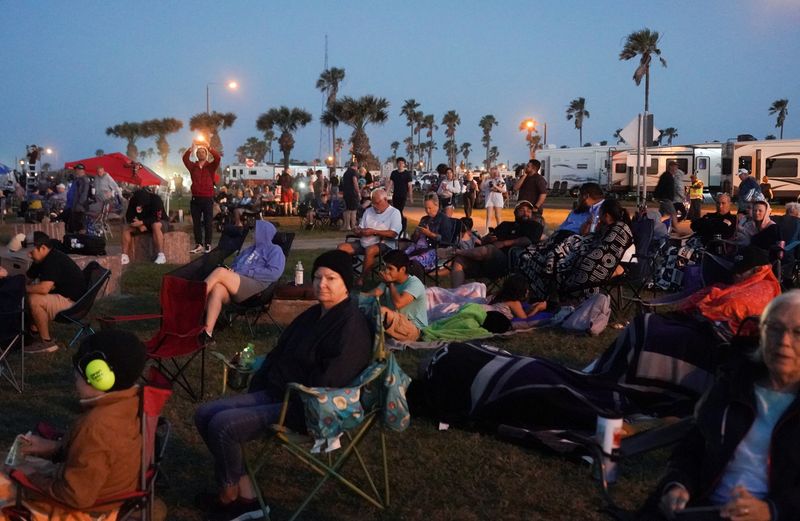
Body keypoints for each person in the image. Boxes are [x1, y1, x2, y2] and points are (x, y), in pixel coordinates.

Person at [194, 251, 372, 520]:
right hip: (277, 391)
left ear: (346, 283)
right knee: (203, 414)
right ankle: (247, 495)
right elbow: (280, 351)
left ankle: (230, 496)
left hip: (306, 406)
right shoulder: (313, 314)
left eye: (331, 278)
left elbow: (331, 379)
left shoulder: (351, 326)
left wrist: (290, 386)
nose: (322, 284)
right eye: (317, 277)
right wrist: (258, 373)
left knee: (224, 426)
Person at [641, 291, 800, 521]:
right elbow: (694, 445)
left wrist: (771, 511)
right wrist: (677, 483)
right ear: (762, 334)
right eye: (774, 328)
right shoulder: (735, 383)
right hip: (700, 510)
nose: (784, 341)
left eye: (797, 333)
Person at [0, 331, 147, 517]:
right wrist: (55, 447)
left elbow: (75, 496)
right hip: (104, 492)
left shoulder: (96, 426)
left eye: (78, 371)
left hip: (83, 508)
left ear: (98, 374)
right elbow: (98, 456)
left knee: (7, 471)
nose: (74, 375)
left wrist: (29, 475)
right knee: (6, 460)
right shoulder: (128, 401)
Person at [199, 221, 285, 344]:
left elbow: (274, 272)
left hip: (256, 286)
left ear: (264, 233)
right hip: (239, 283)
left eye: (255, 231)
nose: (252, 233)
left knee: (219, 272)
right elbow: (236, 264)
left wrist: (247, 272)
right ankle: (207, 333)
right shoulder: (249, 250)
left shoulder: (275, 250)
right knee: (218, 288)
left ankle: (192, 302)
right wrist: (233, 270)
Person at [451, 200, 543, 287]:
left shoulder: (534, 226)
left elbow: (528, 240)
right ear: (515, 212)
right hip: (485, 260)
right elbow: (484, 240)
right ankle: (457, 294)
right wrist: (486, 239)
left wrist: (504, 243)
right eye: (522, 210)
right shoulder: (505, 225)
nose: (525, 212)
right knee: (460, 260)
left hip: (507, 263)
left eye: (528, 211)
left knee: (489, 249)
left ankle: (456, 251)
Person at [24, 232, 87, 354]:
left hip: (73, 303)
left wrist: (21, 288)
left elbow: (44, 289)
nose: (29, 254)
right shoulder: (40, 260)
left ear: (42, 248)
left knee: (35, 299)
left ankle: (47, 343)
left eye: (31, 252)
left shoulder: (53, 260)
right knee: (30, 293)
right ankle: (32, 331)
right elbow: (26, 278)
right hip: (62, 297)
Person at [338, 188, 402, 286]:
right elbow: (361, 227)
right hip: (364, 242)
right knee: (341, 248)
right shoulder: (368, 211)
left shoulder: (394, 213)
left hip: (384, 244)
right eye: (373, 203)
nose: (374, 206)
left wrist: (374, 232)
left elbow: (393, 233)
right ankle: (343, 276)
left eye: (377, 203)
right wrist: (358, 230)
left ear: (385, 200)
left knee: (370, 250)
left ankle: (361, 279)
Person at [362, 250, 427, 342]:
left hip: (413, 329)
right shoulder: (391, 280)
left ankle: (374, 338)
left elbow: (398, 303)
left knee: (382, 311)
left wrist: (390, 283)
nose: (386, 271)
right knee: (365, 305)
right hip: (396, 323)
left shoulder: (414, 284)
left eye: (390, 268)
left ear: (403, 269)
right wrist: (354, 298)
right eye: (385, 267)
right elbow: (375, 293)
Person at [183, 141, 221, 254]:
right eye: (199, 152)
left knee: (208, 222)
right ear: (196, 154)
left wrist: (209, 147)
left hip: (207, 198)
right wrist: (191, 149)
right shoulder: (192, 166)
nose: (201, 153)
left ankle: (208, 244)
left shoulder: (210, 167)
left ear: (206, 154)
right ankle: (199, 244)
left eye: (203, 152)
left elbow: (218, 158)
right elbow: (185, 159)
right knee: (197, 223)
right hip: (195, 199)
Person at [120, 187, 167, 265]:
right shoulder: (133, 200)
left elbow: (157, 217)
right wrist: (139, 226)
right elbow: (129, 216)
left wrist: (143, 223)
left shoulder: (156, 199)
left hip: (159, 222)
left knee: (155, 225)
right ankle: (124, 256)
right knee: (126, 228)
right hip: (141, 225)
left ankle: (161, 255)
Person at [404, 194, 450, 271]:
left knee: (414, 262)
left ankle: (413, 278)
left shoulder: (444, 219)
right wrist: (417, 234)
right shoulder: (424, 219)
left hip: (433, 249)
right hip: (418, 247)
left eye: (430, 208)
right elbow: (413, 239)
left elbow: (446, 240)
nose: (428, 211)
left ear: (437, 205)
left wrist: (430, 234)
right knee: (401, 257)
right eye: (425, 208)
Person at [389, 157, 413, 232]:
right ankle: (398, 224)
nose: (400, 165)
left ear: (404, 164)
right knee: (395, 210)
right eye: (399, 163)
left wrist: (410, 197)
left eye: (402, 163)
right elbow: (390, 184)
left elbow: (410, 186)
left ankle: (403, 223)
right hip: (395, 195)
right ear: (397, 164)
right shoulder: (394, 173)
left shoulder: (407, 174)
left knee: (399, 210)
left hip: (403, 195)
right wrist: (385, 194)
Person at [66, 164, 92, 233]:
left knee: (79, 225)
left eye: (77, 170)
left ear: (81, 170)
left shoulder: (84, 180)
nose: (76, 171)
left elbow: (84, 193)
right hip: (74, 205)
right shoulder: (78, 179)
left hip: (79, 207)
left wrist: (79, 204)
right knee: (74, 224)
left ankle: (80, 239)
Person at [483, 166, 507, 232]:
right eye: (492, 172)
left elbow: (504, 190)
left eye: (495, 172)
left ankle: (500, 231)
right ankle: (486, 231)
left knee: (498, 216)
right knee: (488, 216)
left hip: (498, 199)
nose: (494, 173)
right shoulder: (488, 180)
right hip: (489, 199)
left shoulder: (500, 179)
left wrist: (495, 186)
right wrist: (483, 179)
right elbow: (482, 187)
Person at [340, 160, 360, 231]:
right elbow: (355, 182)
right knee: (354, 211)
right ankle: (353, 226)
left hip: (346, 193)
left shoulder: (346, 173)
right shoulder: (354, 172)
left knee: (347, 210)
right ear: (355, 166)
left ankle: (347, 225)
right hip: (352, 193)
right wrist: (358, 192)